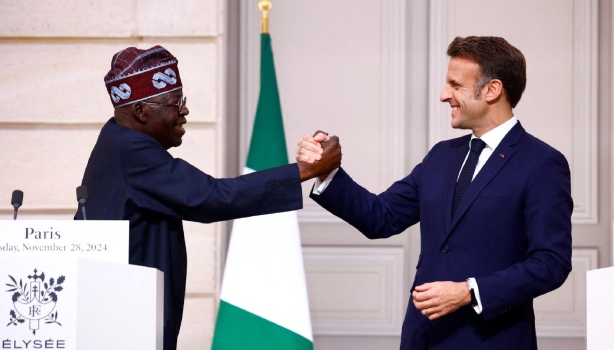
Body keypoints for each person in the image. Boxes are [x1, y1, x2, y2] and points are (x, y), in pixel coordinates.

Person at [298, 36, 572, 349]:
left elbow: (551, 263)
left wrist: (469, 292)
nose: (444, 95)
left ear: (492, 90)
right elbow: (381, 217)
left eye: (455, 85)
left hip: (492, 340)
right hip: (423, 338)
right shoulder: (442, 156)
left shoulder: (541, 163)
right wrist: (326, 171)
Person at [75, 45, 341, 350]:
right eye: (176, 102)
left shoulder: (116, 139)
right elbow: (211, 197)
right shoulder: (131, 150)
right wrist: (304, 171)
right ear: (141, 111)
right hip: (126, 327)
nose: (184, 110)